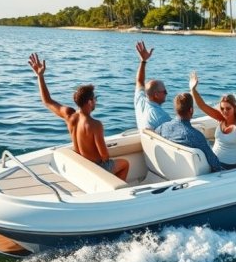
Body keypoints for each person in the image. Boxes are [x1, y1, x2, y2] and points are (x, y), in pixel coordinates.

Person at [28, 53, 129, 181]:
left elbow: (47, 101)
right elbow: (104, 156)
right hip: (95, 167)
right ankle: (117, 194)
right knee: (125, 164)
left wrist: (40, 76)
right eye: (95, 99)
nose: (96, 101)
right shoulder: (95, 124)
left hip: (80, 163)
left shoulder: (69, 115)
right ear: (89, 102)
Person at [189, 71, 236, 169]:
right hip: (213, 159)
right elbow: (202, 106)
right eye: (222, 108)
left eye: (228, 108)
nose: (224, 111)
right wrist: (193, 89)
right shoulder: (221, 118)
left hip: (228, 165)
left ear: (234, 108)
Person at [155, 93, 222, 172]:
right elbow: (215, 165)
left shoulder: (163, 127)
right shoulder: (196, 136)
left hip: (172, 170)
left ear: (176, 110)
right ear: (191, 110)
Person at [134, 40, 171, 130]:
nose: (167, 93)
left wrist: (143, 61)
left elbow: (139, 81)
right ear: (156, 95)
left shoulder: (140, 101)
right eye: (164, 91)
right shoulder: (162, 116)